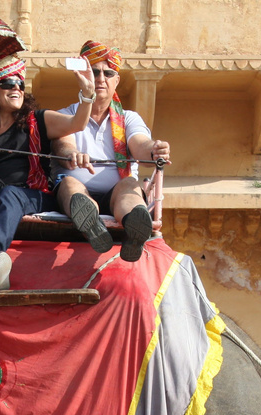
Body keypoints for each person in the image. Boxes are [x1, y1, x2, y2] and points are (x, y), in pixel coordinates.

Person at [0, 54, 94, 290]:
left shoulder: (37, 120)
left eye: (20, 83)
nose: (16, 88)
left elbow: (77, 123)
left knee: (9, 194)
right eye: (8, 83)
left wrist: (87, 94)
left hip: (32, 193)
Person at [53, 40, 172, 263]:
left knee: (130, 185)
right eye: (94, 72)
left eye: (107, 73)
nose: (100, 79)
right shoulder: (66, 116)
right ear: (81, 75)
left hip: (117, 192)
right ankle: (92, 224)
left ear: (116, 81)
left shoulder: (129, 118)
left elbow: (139, 144)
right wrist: (72, 154)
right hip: (75, 193)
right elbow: (63, 145)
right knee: (69, 184)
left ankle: (135, 229)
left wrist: (154, 150)